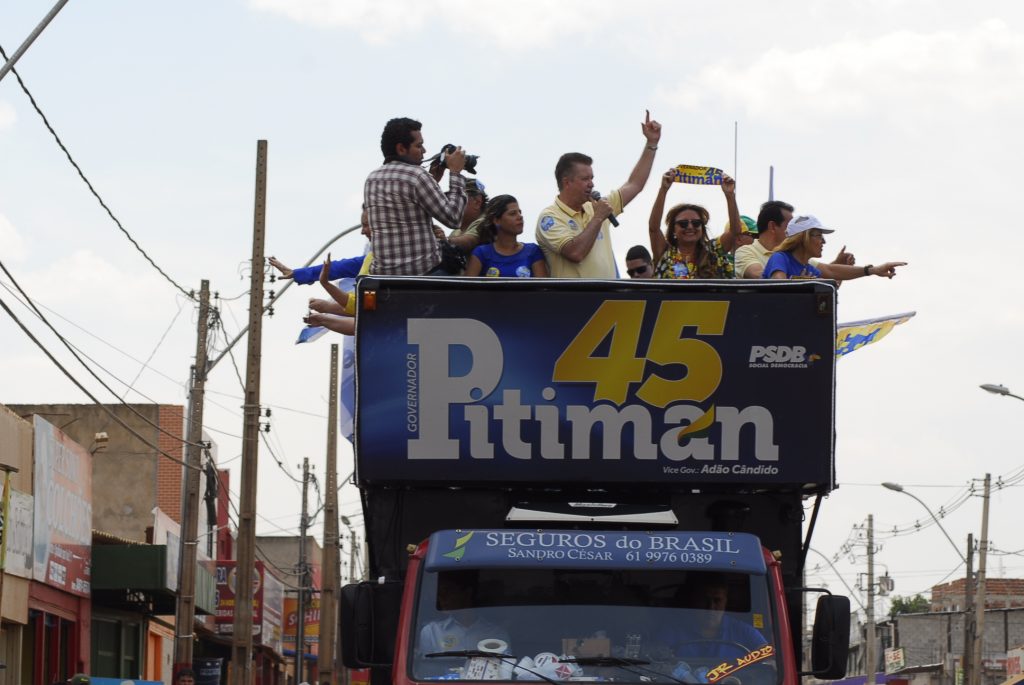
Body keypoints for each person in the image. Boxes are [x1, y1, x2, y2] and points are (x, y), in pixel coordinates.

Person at [535, 111, 662, 278]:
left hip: (608, 294)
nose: (592, 184)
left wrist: (651, 143)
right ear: (567, 182)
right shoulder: (550, 217)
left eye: (592, 178)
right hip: (573, 295)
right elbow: (575, 253)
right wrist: (598, 218)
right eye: (585, 179)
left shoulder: (596, 206)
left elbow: (635, 184)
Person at [364, 117, 468, 275]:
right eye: (419, 146)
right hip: (423, 273)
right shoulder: (417, 175)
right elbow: (453, 218)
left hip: (385, 276)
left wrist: (433, 182)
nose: (424, 151)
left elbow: (404, 206)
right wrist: (455, 173)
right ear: (401, 149)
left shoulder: (372, 179)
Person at [647, 169, 742, 279]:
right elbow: (653, 228)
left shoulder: (713, 250)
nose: (690, 227)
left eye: (696, 223)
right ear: (673, 229)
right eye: (683, 223)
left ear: (702, 228)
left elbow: (735, 231)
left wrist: (730, 195)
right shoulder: (664, 252)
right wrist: (663, 190)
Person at [658, 573, 767, 660]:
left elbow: (768, 658)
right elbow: (656, 656)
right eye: (704, 600)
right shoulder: (673, 630)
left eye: (717, 600)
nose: (711, 607)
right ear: (694, 601)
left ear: (726, 601)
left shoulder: (743, 631)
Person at [763, 215, 906, 281]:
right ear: (803, 238)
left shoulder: (810, 269)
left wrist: (873, 270)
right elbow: (779, 285)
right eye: (819, 236)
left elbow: (832, 274)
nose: (824, 241)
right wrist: (803, 285)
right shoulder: (780, 258)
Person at [736, 202, 854, 279]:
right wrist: (798, 280)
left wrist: (839, 262)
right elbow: (761, 275)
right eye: (790, 226)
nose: (796, 231)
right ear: (772, 226)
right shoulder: (746, 251)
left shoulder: (794, 257)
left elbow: (829, 271)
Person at [418, 571, 511, 655]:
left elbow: (506, 666)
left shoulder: (496, 634)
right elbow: (426, 667)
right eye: (439, 594)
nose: (442, 598)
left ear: (467, 593)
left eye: (447, 591)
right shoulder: (431, 632)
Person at [268, 209, 372, 284]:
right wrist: (297, 273)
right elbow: (341, 267)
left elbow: (343, 267)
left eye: (366, 225)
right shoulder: (371, 259)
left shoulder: (374, 259)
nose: (362, 232)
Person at [464, 195, 548, 277]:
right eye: (512, 214)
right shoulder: (481, 253)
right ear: (496, 221)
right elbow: (468, 286)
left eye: (519, 212)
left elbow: (542, 286)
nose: (520, 216)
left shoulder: (532, 251)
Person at [446, 179, 491, 253]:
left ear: (477, 202)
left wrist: (442, 241)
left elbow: (469, 242)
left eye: (457, 198)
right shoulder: (456, 231)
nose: (451, 203)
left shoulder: (486, 222)